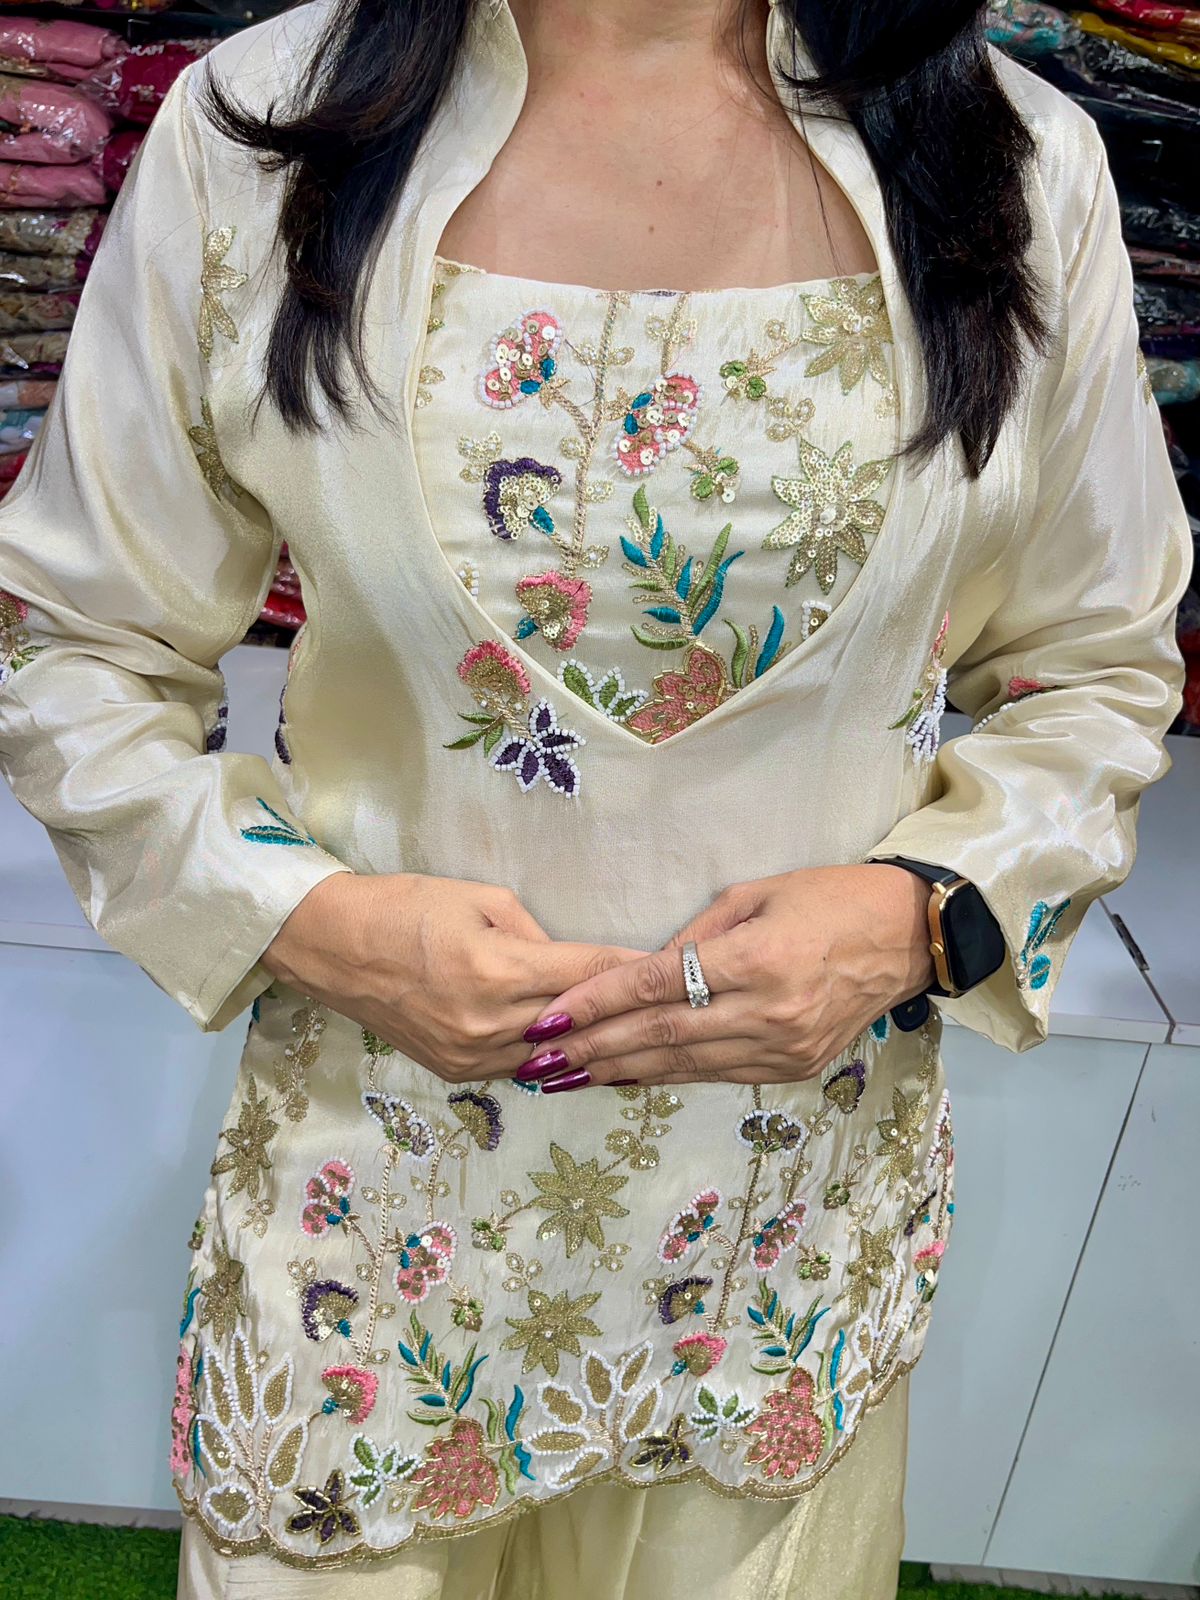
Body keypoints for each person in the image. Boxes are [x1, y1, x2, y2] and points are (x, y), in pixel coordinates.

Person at [0, 0, 1190, 1595]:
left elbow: (1098, 665)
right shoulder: (268, 130)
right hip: (372, 1213)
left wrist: (922, 918)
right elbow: (75, 642)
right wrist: (308, 922)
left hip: (782, 1233)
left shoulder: (1010, 161)